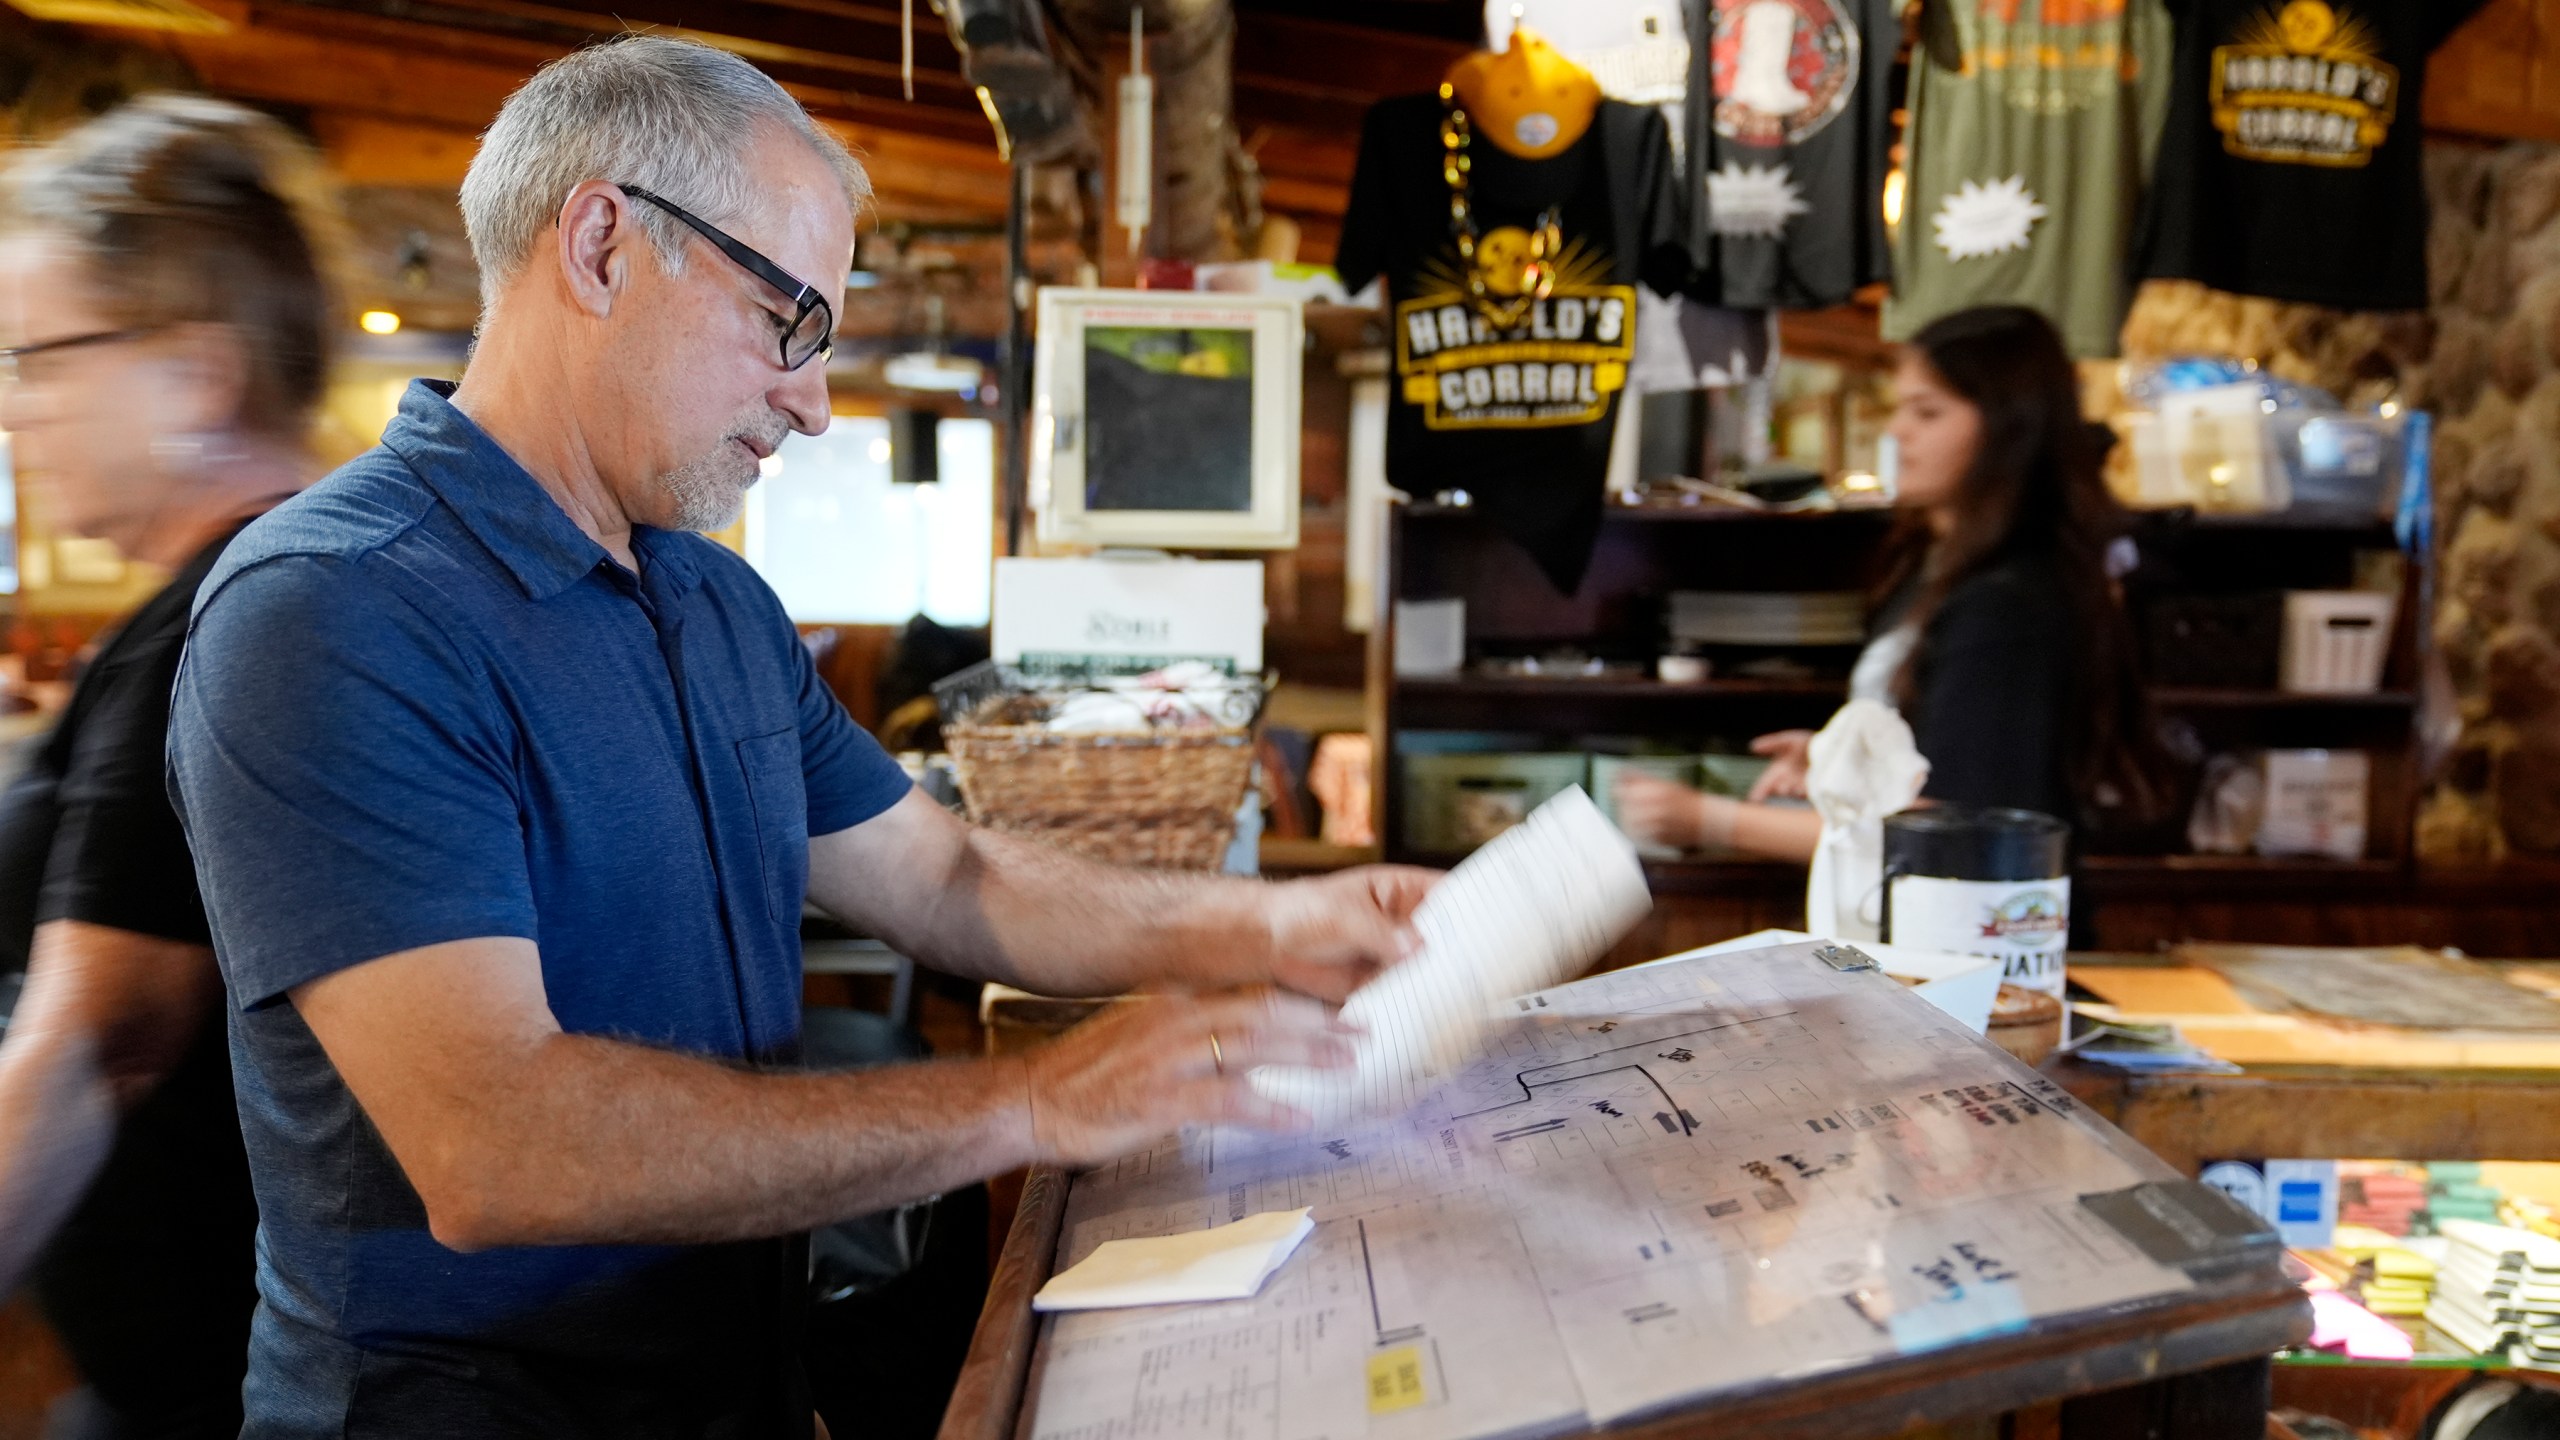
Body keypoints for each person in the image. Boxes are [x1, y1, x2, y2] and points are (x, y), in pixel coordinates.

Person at [164, 37, 1431, 1439]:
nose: (815, 401)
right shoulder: (335, 607)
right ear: (600, 245)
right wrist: (1031, 1103)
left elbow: (952, 881)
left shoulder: (713, 601)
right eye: (791, 323)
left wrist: (1275, 927)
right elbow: (498, 1143)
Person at [0, 97, 338, 1440]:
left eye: (40, 359)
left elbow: (102, 1047)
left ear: (195, 376)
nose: (14, 407)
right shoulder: (295, 575)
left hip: (222, 1383)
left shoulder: (218, 624)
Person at [1617, 305, 2166, 861]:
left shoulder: (2008, 603)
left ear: (2009, 428)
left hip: (1980, 934)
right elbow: (1949, 754)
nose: (1897, 431)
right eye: (1901, 408)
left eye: (1927, 412)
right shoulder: (1939, 567)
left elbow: (1952, 827)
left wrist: (1712, 820)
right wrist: (1840, 761)